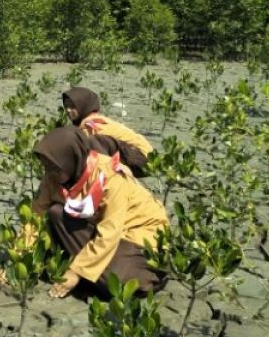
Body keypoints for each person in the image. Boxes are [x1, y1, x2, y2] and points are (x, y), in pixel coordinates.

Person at [33, 126, 168, 298]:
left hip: (139, 237)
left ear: (71, 158)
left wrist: (76, 272)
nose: (49, 172)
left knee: (113, 284)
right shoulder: (53, 178)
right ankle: (88, 271)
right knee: (56, 214)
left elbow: (109, 232)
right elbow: (34, 216)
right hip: (106, 233)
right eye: (47, 166)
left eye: (54, 166)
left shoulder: (109, 176)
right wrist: (18, 258)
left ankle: (142, 274)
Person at [62, 87, 152, 175]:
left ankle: (113, 176)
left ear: (83, 105)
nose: (68, 110)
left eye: (73, 106)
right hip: (142, 157)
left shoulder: (93, 125)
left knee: (92, 142)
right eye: (66, 106)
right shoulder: (93, 120)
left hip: (143, 160)